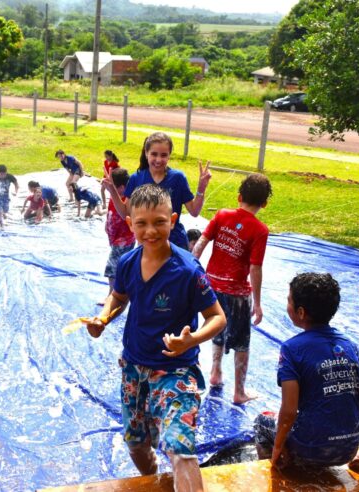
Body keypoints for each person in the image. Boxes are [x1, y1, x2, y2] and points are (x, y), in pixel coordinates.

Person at [85, 184, 226, 492]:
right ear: (130, 223)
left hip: (175, 370)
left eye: (159, 222)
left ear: (173, 220)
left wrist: (192, 340)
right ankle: (158, 482)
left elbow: (218, 317)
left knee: (180, 446)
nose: (151, 230)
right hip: (134, 368)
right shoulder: (127, 263)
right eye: (142, 223)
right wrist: (104, 318)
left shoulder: (188, 270)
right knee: (137, 443)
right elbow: (118, 297)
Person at [255, 273, 359, 469]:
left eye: (289, 300)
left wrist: (278, 448)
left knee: (262, 422)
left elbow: (288, 411)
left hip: (309, 450)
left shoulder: (291, 349)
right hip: (348, 449)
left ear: (301, 312)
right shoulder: (349, 345)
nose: (287, 305)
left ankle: (279, 470)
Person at [192, 173, 272, 404]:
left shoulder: (222, 215)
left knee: (217, 327)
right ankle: (239, 391)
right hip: (236, 292)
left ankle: (215, 372)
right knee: (241, 341)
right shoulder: (259, 230)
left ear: (239, 196)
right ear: (264, 204)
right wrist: (257, 302)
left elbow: (201, 243)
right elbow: (255, 268)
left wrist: (193, 268)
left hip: (212, 286)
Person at [104, 132, 212, 250]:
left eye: (163, 155)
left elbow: (194, 211)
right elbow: (126, 213)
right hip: (147, 243)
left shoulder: (177, 178)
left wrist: (201, 188)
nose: (158, 160)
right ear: (146, 153)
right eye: (154, 154)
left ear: (169, 156)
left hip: (174, 244)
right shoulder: (137, 178)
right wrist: (113, 192)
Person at [101, 167, 135, 297]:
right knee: (123, 266)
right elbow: (111, 210)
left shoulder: (128, 199)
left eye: (112, 186)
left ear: (121, 187)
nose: (109, 188)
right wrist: (106, 224)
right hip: (116, 238)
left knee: (111, 269)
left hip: (124, 240)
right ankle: (125, 290)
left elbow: (124, 215)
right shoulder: (115, 195)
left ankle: (112, 296)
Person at [0, 165, 19, 229]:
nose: (2, 176)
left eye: (4, 174)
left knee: (5, 210)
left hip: (6, 197)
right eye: (1, 174)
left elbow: (16, 184)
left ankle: (3, 213)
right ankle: (2, 225)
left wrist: (15, 191)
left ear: (6, 172)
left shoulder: (10, 177)